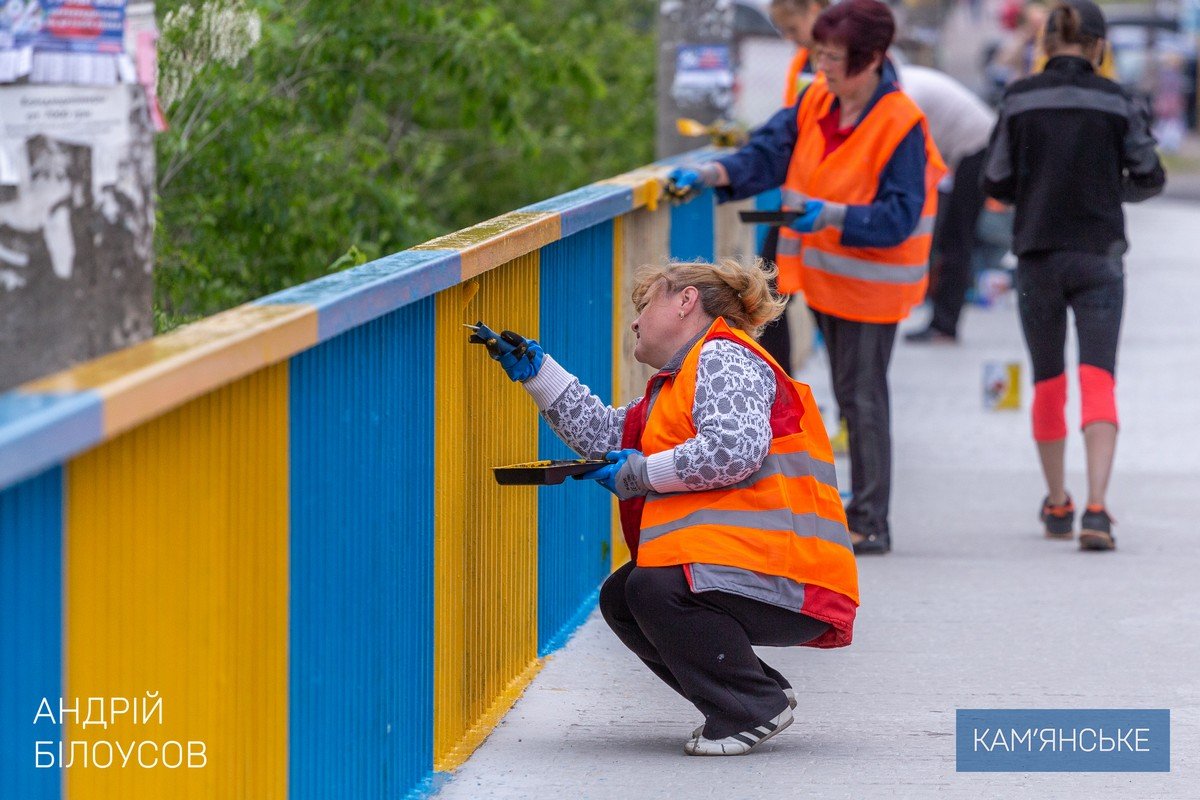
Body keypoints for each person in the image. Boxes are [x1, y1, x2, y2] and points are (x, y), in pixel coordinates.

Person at [470, 258, 859, 756]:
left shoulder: (723, 357)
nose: (634, 321)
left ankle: (750, 705)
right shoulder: (680, 384)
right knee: (624, 594)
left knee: (652, 586)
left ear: (685, 300)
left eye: (645, 304)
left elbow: (732, 448)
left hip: (790, 575)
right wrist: (538, 373)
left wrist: (641, 473)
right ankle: (753, 689)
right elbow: (606, 434)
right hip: (765, 567)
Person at [667, 0, 946, 555]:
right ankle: (841, 509)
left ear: (870, 61)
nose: (821, 65)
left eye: (833, 57)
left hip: (872, 283)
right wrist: (713, 172)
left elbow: (898, 214)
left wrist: (833, 216)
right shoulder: (818, 100)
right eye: (819, 53)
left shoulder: (901, 125)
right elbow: (769, 151)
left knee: (862, 395)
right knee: (849, 391)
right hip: (826, 274)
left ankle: (871, 520)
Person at [981, 0, 1165, 551]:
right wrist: (1113, 189)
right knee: (1097, 377)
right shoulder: (1118, 101)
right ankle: (1098, 509)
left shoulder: (1018, 99)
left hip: (1037, 254)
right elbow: (1151, 174)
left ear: (1044, 46)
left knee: (1048, 381)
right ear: (1099, 47)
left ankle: (1057, 502)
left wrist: (1032, 194)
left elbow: (995, 180)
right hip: (1099, 255)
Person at [755, 0, 831, 374]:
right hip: (799, 196)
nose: (790, 38)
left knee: (828, 310)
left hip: (832, 202)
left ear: (814, 9)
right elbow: (794, 123)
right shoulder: (803, 61)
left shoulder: (851, 59)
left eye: (791, 27)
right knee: (766, 294)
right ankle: (783, 400)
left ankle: (843, 413)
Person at [899, 65, 998, 343]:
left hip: (975, 149)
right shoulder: (904, 82)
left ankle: (945, 325)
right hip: (969, 148)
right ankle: (943, 321)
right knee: (952, 237)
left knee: (957, 238)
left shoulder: (905, 94)